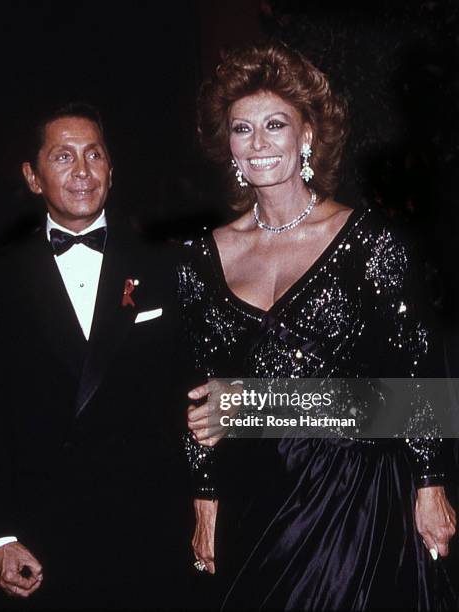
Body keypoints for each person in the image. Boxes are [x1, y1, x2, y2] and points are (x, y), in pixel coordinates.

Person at [179, 42, 457, 609]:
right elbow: (202, 395)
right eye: (241, 129)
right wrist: (205, 496)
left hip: (354, 498)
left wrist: (431, 483)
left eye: (275, 125)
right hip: (256, 496)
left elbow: (417, 385)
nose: (257, 144)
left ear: (307, 135)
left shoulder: (371, 243)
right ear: (226, 144)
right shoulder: (199, 258)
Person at [0, 102, 192, 608]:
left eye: (94, 154)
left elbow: (194, 394)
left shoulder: (169, 265)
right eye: (63, 157)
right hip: (43, 542)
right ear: (33, 176)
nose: (83, 171)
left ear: (112, 166)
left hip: (152, 533)